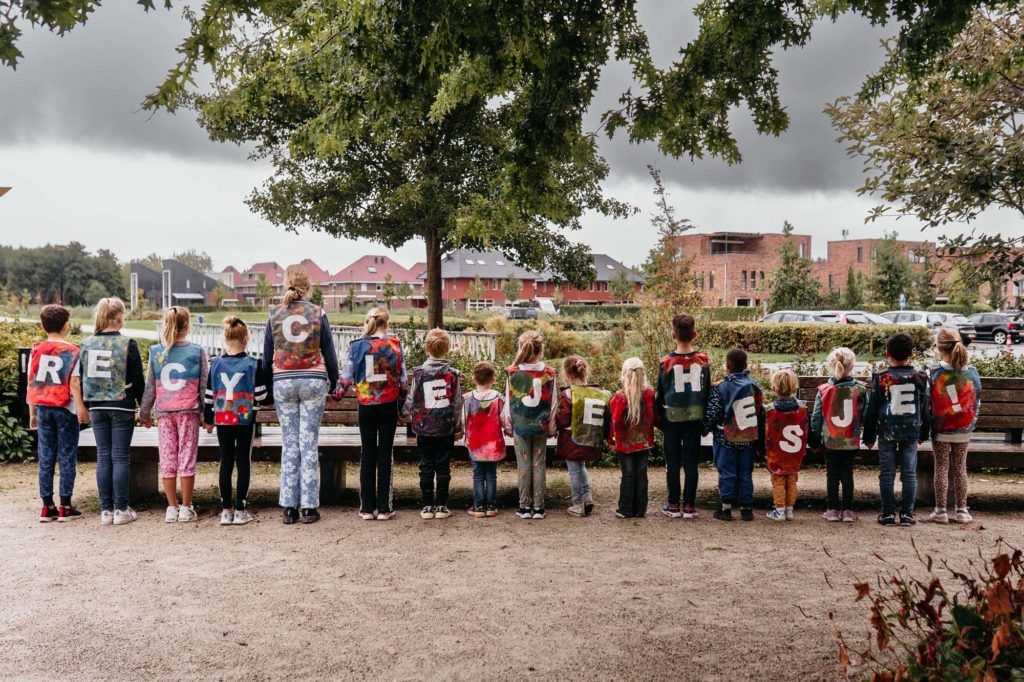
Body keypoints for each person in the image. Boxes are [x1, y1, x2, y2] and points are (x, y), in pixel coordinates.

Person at [264, 264, 339, 525]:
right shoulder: (318, 313)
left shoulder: (274, 314)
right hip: (313, 380)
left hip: (283, 380)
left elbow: (266, 355)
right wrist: (336, 381)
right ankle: (309, 507)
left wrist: (265, 389)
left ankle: (288, 507)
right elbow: (329, 351)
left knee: (289, 443)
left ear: (286, 283)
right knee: (308, 442)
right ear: (308, 285)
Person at [140, 306, 209, 523]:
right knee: (187, 457)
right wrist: (207, 415)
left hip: (164, 412)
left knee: (168, 458)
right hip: (188, 411)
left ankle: (172, 507)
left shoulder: (155, 352)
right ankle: (187, 507)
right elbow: (204, 386)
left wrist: (144, 413)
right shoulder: (197, 351)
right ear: (187, 326)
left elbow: (150, 386)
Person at [80, 297, 144, 526]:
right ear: (118, 317)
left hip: (96, 405)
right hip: (121, 403)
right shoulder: (128, 343)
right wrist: (143, 408)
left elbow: (81, 377)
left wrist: (85, 406)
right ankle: (121, 508)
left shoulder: (86, 343)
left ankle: (105, 510)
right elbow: (138, 380)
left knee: (103, 456)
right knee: (120, 456)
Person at [204, 316, 269, 526]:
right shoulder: (253, 364)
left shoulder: (215, 364)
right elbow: (260, 395)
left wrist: (208, 420)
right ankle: (240, 509)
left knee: (226, 462)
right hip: (245, 420)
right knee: (243, 462)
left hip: (222, 419)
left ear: (225, 338)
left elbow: (208, 396)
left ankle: (225, 510)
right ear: (246, 339)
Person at [341, 306, 405, 521]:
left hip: (366, 405)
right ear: (386, 323)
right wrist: (401, 402)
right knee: (385, 454)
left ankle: (367, 508)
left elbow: (346, 376)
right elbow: (403, 379)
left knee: (367, 453)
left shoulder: (357, 347)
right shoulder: (394, 346)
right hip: (388, 405)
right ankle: (385, 508)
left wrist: (338, 392)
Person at [26, 304, 88, 522]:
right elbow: (74, 383)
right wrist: (81, 408)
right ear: (66, 326)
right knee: (67, 455)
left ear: (43, 326)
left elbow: (32, 382)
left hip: (42, 407)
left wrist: (32, 411)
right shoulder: (73, 351)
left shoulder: (36, 349)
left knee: (46, 456)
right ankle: (66, 506)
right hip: (65, 408)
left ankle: (47, 506)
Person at [863, 332, 930, 527]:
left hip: (887, 431)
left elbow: (872, 410)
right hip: (911, 432)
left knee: (886, 473)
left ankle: (887, 513)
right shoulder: (920, 377)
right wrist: (924, 433)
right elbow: (925, 407)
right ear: (911, 354)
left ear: (887, 353)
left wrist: (868, 436)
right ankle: (907, 514)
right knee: (909, 473)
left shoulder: (881, 378)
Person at [404, 328, 463, 520]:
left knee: (426, 466)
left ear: (426, 348)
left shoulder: (419, 373)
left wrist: (403, 414)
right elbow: (457, 403)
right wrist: (457, 426)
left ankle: (427, 505)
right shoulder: (452, 374)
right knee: (443, 466)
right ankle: (442, 506)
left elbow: (411, 400)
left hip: (424, 428)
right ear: (447, 349)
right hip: (445, 428)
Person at [655, 313, 710, 519]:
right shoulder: (703, 361)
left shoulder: (666, 362)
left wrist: (661, 418)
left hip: (672, 419)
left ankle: (672, 504)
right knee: (691, 463)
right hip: (695, 418)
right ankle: (689, 505)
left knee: (673, 463)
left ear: (672, 335)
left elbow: (660, 393)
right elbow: (706, 392)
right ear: (694, 334)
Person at [703, 348, 764, 522]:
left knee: (727, 471)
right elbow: (758, 409)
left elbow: (713, 412)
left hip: (725, 437)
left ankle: (726, 508)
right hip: (748, 437)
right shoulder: (753, 385)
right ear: (746, 365)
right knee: (745, 472)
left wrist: (705, 428)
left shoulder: (721, 387)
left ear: (727, 365)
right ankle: (746, 509)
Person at [927, 328, 981, 525]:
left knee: (941, 466)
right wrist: (971, 424)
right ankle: (962, 510)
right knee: (960, 467)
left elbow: (928, 402)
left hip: (941, 429)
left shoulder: (933, 372)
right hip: (963, 429)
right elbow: (977, 402)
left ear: (939, 348)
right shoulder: (972, 373)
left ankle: (940, 510)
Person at [503, 330, 556, 520]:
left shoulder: (513, 372)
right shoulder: (549, 373)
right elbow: (553, 403)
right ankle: (539, 507)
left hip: (521, 425)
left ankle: (524, 506)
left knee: (523, 465)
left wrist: (508, 424)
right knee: (539, 464)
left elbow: (509, 404)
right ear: (540, 350)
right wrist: (551, 425)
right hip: (540, 425)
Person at [810, 347, 867, 523]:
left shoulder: (824, 390)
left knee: (832, 474)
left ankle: (832, 509)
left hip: (830, 440)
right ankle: (848, 511)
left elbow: (816, 417)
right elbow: (864, 415)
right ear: (852, 366)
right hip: (850, 440)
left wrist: (814, 438)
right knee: (847, 473)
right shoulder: (860, 389)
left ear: (831, 365)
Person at [554, 356, 610, 517]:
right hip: (588, 437)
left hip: (571, 438)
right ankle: (587, 496)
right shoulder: (596, 393)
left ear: (567, 374)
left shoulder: (569, 393)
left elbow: (563, 419)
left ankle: (578, 504)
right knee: (581, 466)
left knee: (574, 470)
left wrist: (553, 422)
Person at [609, 357, 656, 519]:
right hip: (643, 442)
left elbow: (615, 423)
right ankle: (640, 509)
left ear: (624, 374)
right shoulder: (649, 394)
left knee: (628, 474)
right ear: (643, 374)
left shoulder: (618, 397)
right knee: (641, 474)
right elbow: (654, 418)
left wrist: (611, 441)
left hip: (624, 444)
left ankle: (625, 509)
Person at [462, 361, 511, 518]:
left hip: (476, 445)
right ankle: (490, 505)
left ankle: (478, 506)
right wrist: (509, 430)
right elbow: (504, 420)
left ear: (473, 379)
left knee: (478, 474)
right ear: (493, 379)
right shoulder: (499, 398)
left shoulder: (468, 399)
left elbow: (463, 421)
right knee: (491, 474)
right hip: (493, 444)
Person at [763, 369, 808, 522]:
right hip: (795, 451)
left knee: (778, 479)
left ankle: (779, 510)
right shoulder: (802, 408)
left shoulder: (769, 409)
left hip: (777, 452)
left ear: (774, 387)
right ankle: (789, 509)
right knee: (792, 479)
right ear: (794, 387)